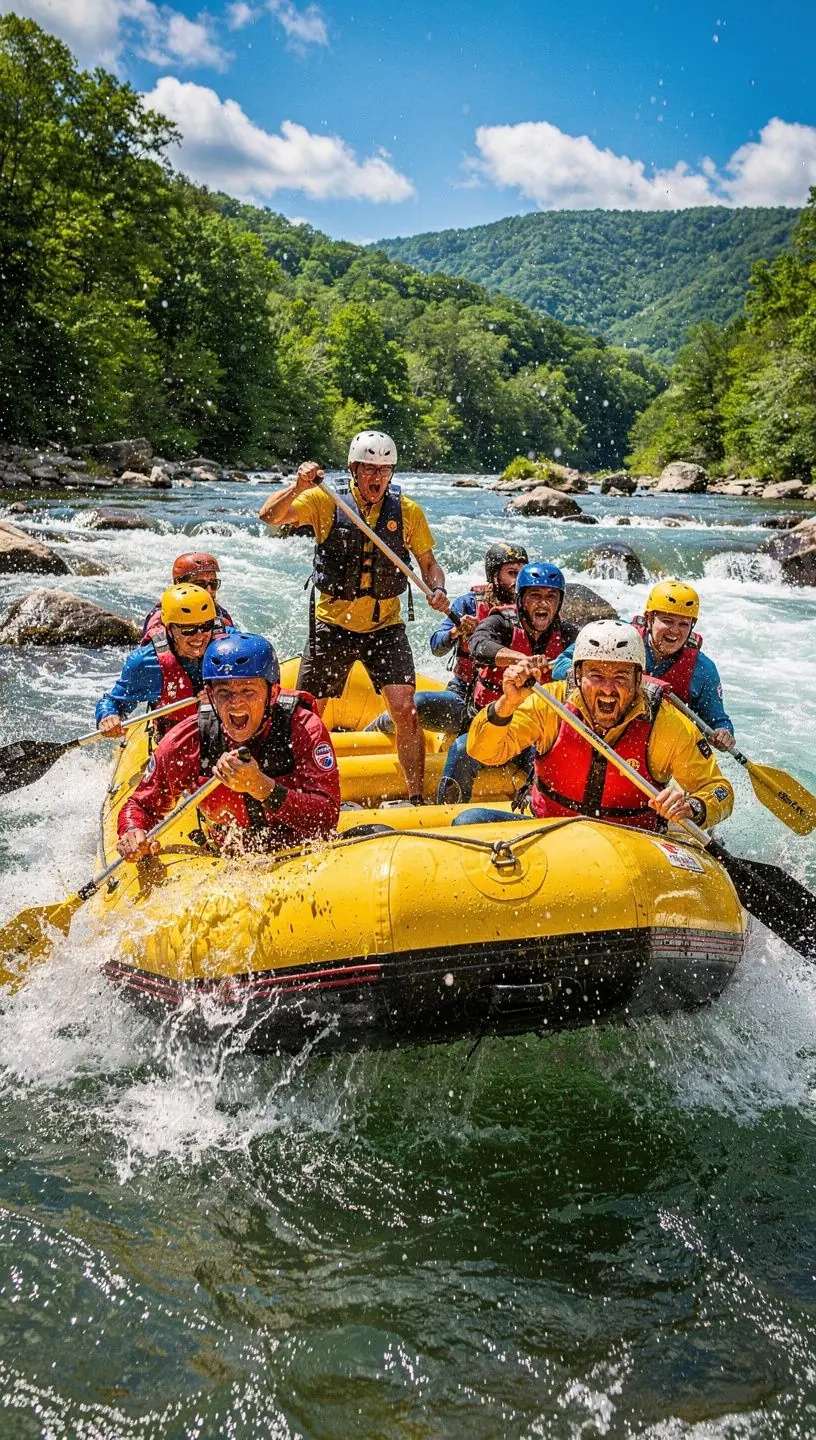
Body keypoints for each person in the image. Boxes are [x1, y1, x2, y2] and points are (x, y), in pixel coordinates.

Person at [258, 430, 448, 804]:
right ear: (353, 469)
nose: (376, 478)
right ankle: (299, 790)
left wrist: (437, 589)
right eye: (368, 469)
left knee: (406, 710)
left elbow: (429, 564)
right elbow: (270, 516)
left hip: (384, 626)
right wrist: (297, 486)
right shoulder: (325, 502)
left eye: (384, 470)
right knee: (307, 712)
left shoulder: (407, 511)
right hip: (333, 626)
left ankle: (414, 796)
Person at [461, 619, 734, 830]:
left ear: (639, 679)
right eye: (596, 675)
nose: (607, 689)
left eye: (620, 676)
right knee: (470, 820)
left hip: (629, 845)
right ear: (577, 675)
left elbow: (720, 790)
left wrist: (693, 806)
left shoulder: (667, 723)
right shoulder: (550, 703)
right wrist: (506, 704)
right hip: (549, 832)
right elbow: (483, 752)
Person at [117, 632, 340, 858]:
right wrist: (132, 831)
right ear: (211, 696)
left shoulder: (303, 729)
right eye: (224, 692)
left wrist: (261, 787)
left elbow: (327, 819)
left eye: (248, 691)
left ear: (272, 694)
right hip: (224, 854)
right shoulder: (188, 738)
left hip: (298, 854)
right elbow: (140, 806)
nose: (235, 702)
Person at [439, 561, 578, 804]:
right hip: (490, 723)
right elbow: (478, 644)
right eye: (535, 596)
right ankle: (447, 807)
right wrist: (521, 659)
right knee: (462, 750)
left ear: (560, 602)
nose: (543, 603)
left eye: (551, 596)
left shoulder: (568, 634)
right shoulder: (501, 622)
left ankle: (536, 809)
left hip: (533, 732)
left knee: (558, 755)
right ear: (521, 599)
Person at [366, 541, 529, 737]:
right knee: (416, 705)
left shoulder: (530, 609)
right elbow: (436, 647)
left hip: (509, 700)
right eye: (512, 573)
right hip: (463, 697)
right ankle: (382, 724)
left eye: (523, 573)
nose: (518, 580)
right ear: (494, 576)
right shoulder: (469, 604)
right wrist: (456, 631)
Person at [551, 579, 734, 750]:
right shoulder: (616, 636)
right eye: (667, 621)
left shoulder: (702, 669)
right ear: (649, 618)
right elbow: (560, 665)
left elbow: (717, 721)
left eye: (684, 624)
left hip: (653, 750)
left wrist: (724, 733)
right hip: (599, 734)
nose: (675, 631)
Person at [96, 584, 231, 739]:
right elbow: (113, 702)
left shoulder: (230, 645)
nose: (199, 636)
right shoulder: (146, 663)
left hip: (223, 735)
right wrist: (108, 716)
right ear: (169, 628)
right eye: (188, 630)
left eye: (206, 626)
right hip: (175, 741)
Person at [140, 552, 236, 641]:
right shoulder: (160, 618)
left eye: (213, 583)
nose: (209, 590)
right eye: (200, 584)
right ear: (179, 585)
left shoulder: (221, 614)